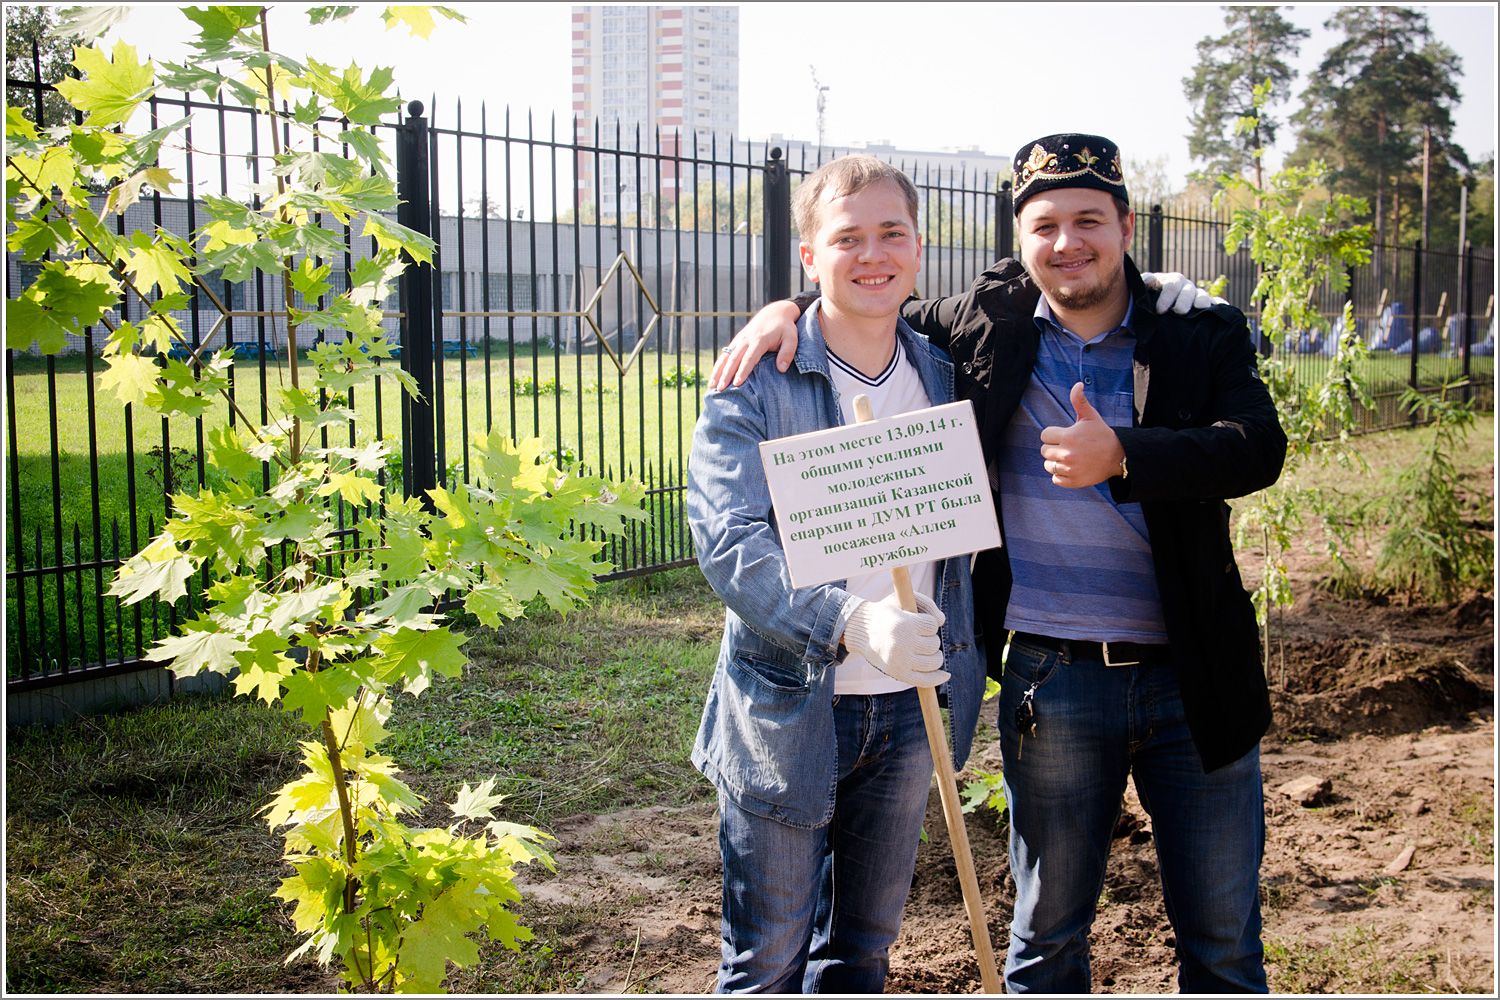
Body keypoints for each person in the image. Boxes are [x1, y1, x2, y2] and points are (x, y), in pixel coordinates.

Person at [711, 133, 1287, 993]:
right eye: (1045, 224)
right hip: (1050, 680)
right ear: (1020, 239)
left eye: (1089, 219)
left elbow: (1257, 448)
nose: (1068, 242)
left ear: (1127, 226)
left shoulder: (1193, 328)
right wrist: (784, 308)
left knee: (1224, 944)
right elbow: (865, 290)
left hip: (1189, 674)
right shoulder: (979, 332)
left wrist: (1125, 453)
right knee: (1042, 937)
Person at [686, 154, 987, 993]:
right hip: (789, 711)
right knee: (768, 960)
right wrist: (852, 624)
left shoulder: (945, 373)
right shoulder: (756, 381)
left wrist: (1165, 288)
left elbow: (1060, 277)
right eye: (846, 238)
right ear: (810, 257)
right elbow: (730, 542)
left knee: (861, 955)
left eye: (892, 233)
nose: (872, 254)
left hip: (908, 712)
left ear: (919, 250)